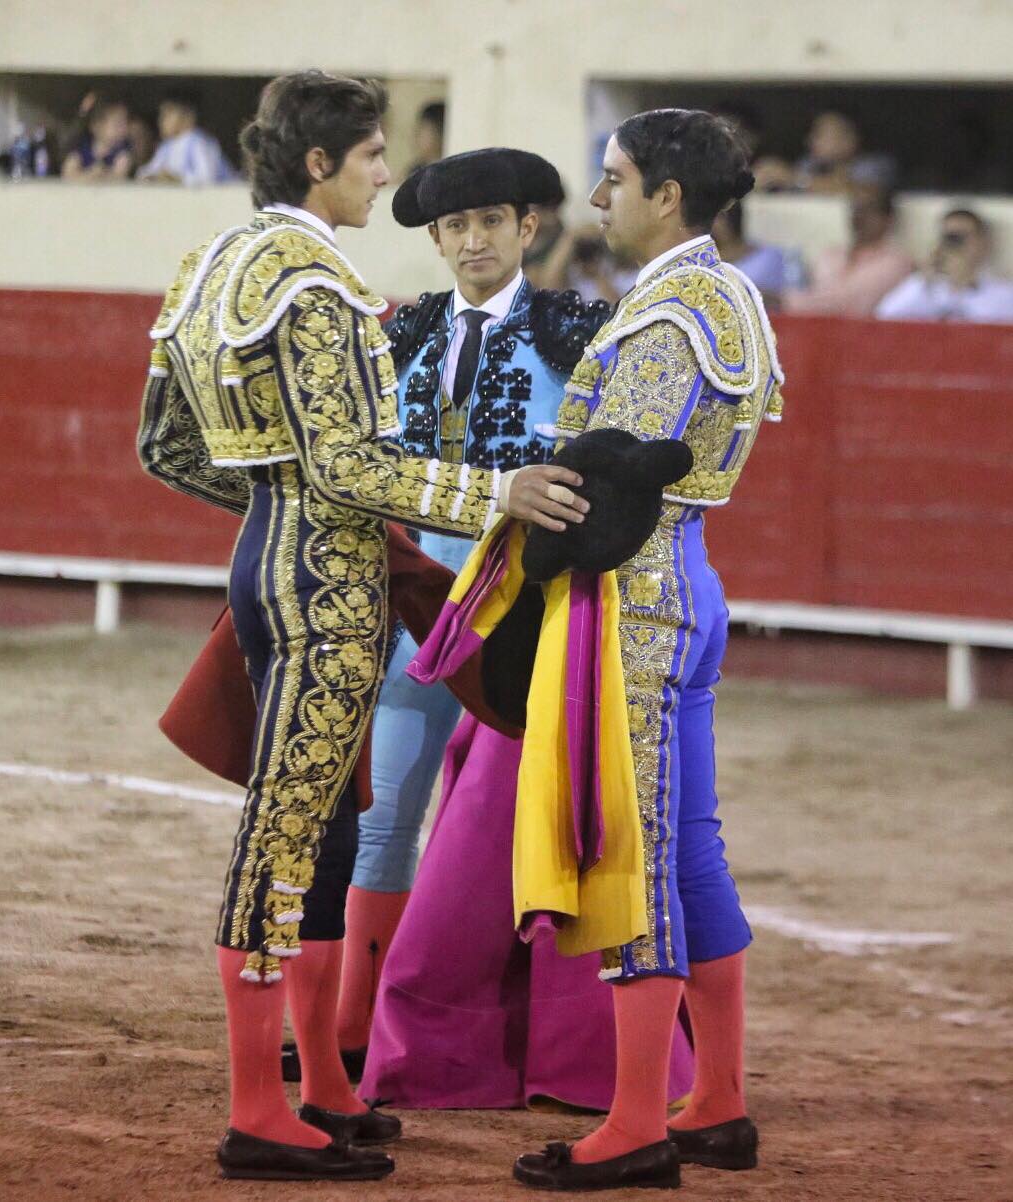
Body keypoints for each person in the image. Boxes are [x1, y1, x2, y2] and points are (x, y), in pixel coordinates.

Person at [137, 68, 587, 1184]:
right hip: (330, 581)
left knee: (330, 820)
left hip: (272, 559)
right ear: (320, 164)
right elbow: (350, 464)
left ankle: (325, 1086)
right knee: (289, 832)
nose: (389, 175)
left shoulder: (212, 266)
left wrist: (276, 505)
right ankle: (257, 1109)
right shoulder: (322, 287)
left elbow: (166, 444)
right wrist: (496, 496)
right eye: (376, 156)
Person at [331, 147, 691, 1111]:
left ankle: (535, 1041)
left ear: (526, 228)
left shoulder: (582, 328)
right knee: (385, 823)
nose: (470, 241)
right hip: (416, 608)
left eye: (490, 221)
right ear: (438, 239)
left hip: (528, 618)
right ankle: (353, 1033)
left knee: (520, 834)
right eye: (453, 227)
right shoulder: (397, 331)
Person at [510, 107, 784, 1191]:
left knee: (639, 852)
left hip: (635, 598)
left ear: (664, 193)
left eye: (612, 178)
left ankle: (635, 1120)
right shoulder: (728, 292)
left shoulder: (669, 315)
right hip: (689, 579)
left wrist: (519, 546)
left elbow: (607, 481)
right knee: (690, 846)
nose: (597, 198)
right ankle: (713, 1095)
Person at [784, 184, 913, 317]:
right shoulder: (830, 255)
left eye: (868, 210)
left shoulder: (895, 263)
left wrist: (782, 301)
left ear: (888, 220)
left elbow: (847, 306)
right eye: (856, 209)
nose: (859, 217)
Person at [876, 207, 1013, 323]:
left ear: (982, 242)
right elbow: (885, 316)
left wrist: (966, 285)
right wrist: (923, 278)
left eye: (960, 237)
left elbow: (997, 329)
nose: (954, 244)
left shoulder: (1002, 292)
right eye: (948, 237)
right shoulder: (926, 288)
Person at [711, 200, 805, 309]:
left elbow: (793, 301)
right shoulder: (694, 261)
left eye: (717, 217)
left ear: (732, 218)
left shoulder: (771, 258)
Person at [137, 89, 236, 185]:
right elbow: (149, 170)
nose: (161, 120)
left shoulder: (199, 142)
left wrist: (177, 178)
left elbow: (207, 178)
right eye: (161, 114)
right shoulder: (167, 146)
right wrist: (151, 176)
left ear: (189, 117)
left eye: (167, 114)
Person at [795, 109, 896, 195]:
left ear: (849, 140)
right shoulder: (810, 163)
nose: (811, 140)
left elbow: (860, 197)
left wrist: (795, 178)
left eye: (820, 134)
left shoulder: (875, 164)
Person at [61, 95, 132, 181]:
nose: (124, 129)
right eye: (118, 125)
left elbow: (120, 177)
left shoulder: (123, 152)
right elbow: (67, 175)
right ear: (95, 127)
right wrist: (90, 175)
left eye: (126, 123)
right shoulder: (81, 148)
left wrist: (103, 175)